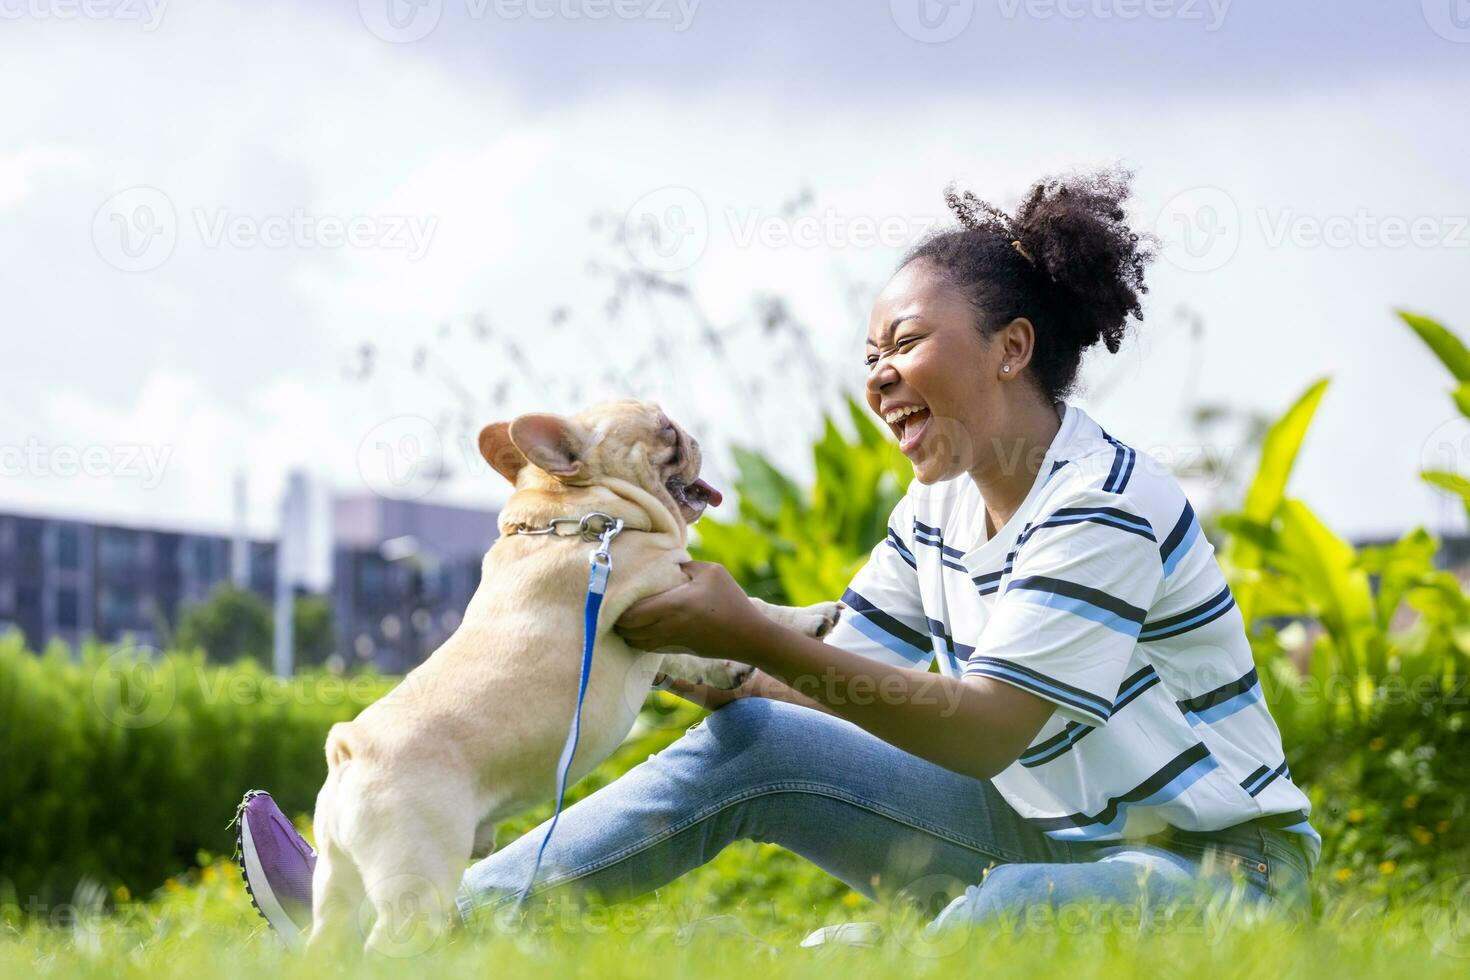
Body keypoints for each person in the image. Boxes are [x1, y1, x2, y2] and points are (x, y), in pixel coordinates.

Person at [236, 168, 1316, 946]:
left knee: (1001, 920)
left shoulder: (1103, 504)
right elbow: (829, 670)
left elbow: (985, 728)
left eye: (902, 345)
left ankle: (902, 946)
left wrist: (742, 625)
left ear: (1012, 347)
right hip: (1040, 832)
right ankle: (434, 919)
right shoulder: (936, 512)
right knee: (758, 736)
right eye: (869, 357)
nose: (880, 377)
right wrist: (691, 653)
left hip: (1213, 867)